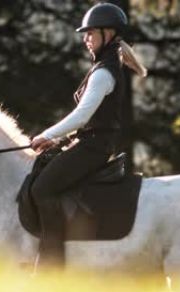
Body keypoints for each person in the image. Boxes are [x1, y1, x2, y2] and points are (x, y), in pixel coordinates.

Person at [29, 2, 148, 268]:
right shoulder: (103, 67)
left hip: (93, 147)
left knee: (42, 188)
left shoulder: (104, 72)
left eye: (91, 33)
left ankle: (51, 262)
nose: (85, 39)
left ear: (109, 34)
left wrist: (46, 135)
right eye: (85, 34)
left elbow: (82, 116)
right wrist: (57, 139)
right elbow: (88, 119)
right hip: (89, 143)